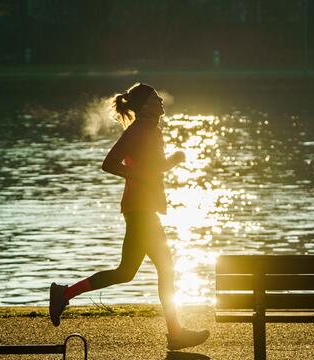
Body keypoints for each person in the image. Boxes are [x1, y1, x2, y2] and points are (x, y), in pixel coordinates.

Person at [49, 83, 210, 351]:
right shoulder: (137, 131)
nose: (161, 100)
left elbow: (153, 168)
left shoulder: (152, 130)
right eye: (155, 97)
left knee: (129, 272)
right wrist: (147, 171)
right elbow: (109, 163)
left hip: (145, 209)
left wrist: (170, 162)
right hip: (140, 210)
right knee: (160, 271)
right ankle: (175, 333)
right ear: (145, 105)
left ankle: (64, 293)